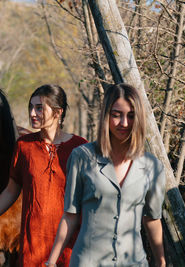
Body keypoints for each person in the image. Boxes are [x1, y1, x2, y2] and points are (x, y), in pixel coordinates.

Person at [0, 84, 87, 266]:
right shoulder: (24, 146)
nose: (33, 113)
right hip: (33, 248)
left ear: (58, 113)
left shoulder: (80, 147)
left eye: (39, 108)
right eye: (31, 107)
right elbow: (11, 190)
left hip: (70, 246)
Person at [47, 83, 166, 267]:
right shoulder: (81, 157)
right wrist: (51, 262)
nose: (124, 123)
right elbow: (70, 215)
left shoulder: (152, 166)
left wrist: (160, 262)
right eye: (116, 115)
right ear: (106, 116)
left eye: (131, 116)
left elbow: (152, 219)